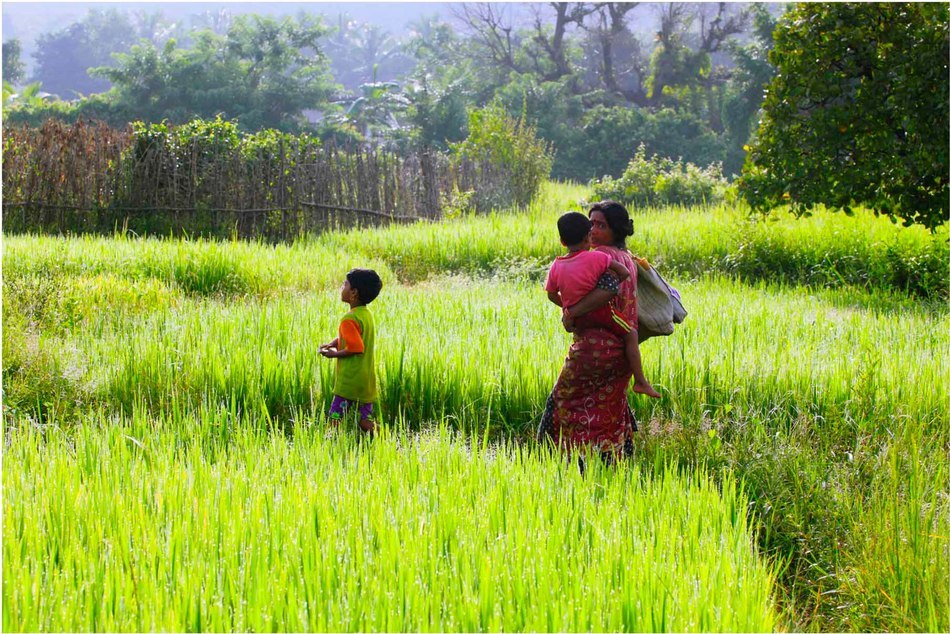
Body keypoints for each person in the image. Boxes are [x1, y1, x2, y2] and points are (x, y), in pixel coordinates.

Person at [539, 200, 657, 462]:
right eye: (590, 223)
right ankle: (614, 462)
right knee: (608, 409)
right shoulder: (626, 258)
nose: (592, 230)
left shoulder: (603, 257)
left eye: (600, 225)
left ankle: (558, 460)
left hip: (596, 347)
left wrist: (571, 312)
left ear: (616, 230)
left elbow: (606, 291)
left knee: (562, 402)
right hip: (621, 351)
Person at [544, 211, 659, 398]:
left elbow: (550, 294)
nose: (596, 232)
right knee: (631, 333)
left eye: (601, 225)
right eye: (593, 227)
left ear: (562, 242)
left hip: (579, 322)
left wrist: (568, 309)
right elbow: (623, 273)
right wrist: (612, 282)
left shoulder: (556, 265)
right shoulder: (598, 257)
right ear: (588, 237)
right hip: (603, 313)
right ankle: (641, 381)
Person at [319, 268, 382, 434]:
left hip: (349, 382)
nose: (342, 287)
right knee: (365, 422)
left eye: (345, 284)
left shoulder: (349, 318)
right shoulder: (366, 315)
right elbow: (352, 338)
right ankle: (390, 440)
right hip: (366, 381)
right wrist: (332, 343)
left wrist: (333, 354)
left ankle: (329, 448)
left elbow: (356, 347)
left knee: (335, 420)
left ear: (353, 293)